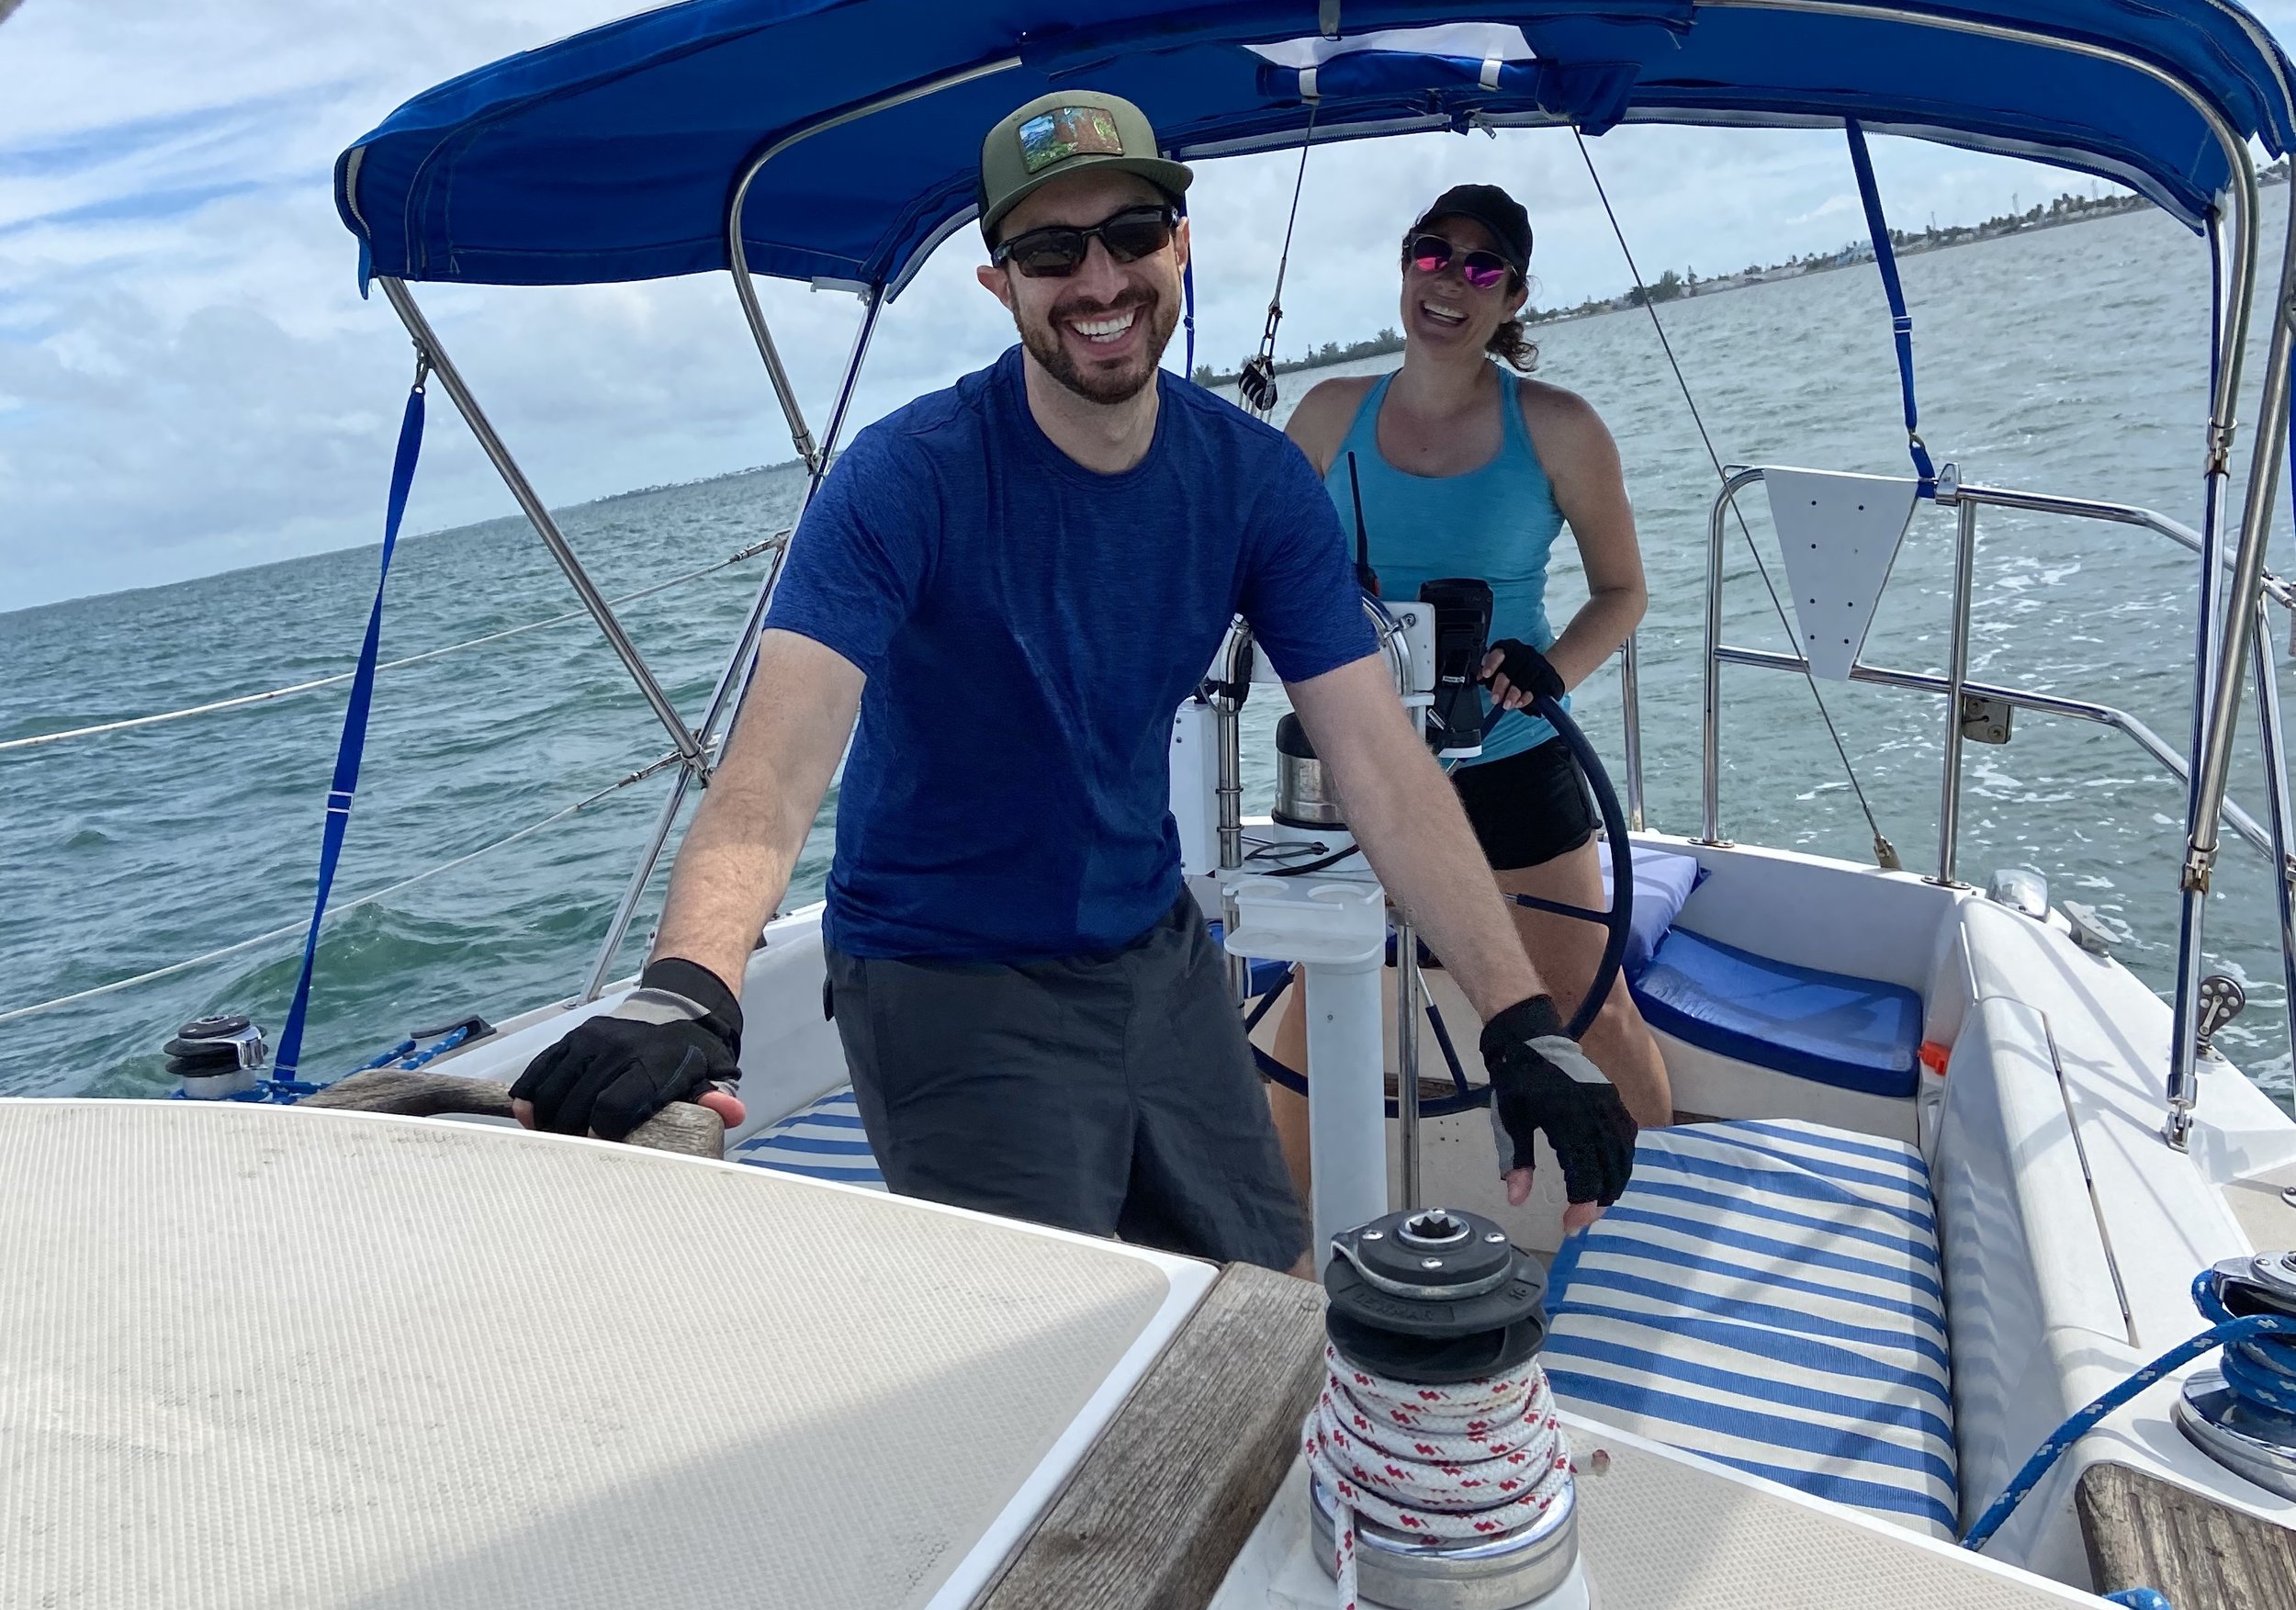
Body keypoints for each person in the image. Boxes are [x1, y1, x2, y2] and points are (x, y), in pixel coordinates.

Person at [512, 94, 1637, 1261]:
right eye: (1051, 250)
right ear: (1001, 285)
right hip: (946, 973)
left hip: (1155, 947)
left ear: (1180, 246)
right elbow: (777, 767)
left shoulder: (1251, 481)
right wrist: (689, 985)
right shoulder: (904, 480)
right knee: (1060, 1344)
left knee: (1266, 1296)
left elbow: (1379, 763)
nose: (1099, 280)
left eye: (1132, 234)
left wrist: (1519, 1022)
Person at [1267, 180, 1671, 1173]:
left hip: (1511, 758)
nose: (1450, 280)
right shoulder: (1324, 416)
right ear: (1404, 266)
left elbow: (1620, 590)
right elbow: (1256, 567)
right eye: (1431, 253)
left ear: (1513, 298)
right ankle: (1275, 1259)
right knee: (1313, 1014)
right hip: (1355, 765)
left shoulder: (1561, 426)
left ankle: (1656, 1206)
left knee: (1592, 1011)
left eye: (1481, 265)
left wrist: (1548, 670)